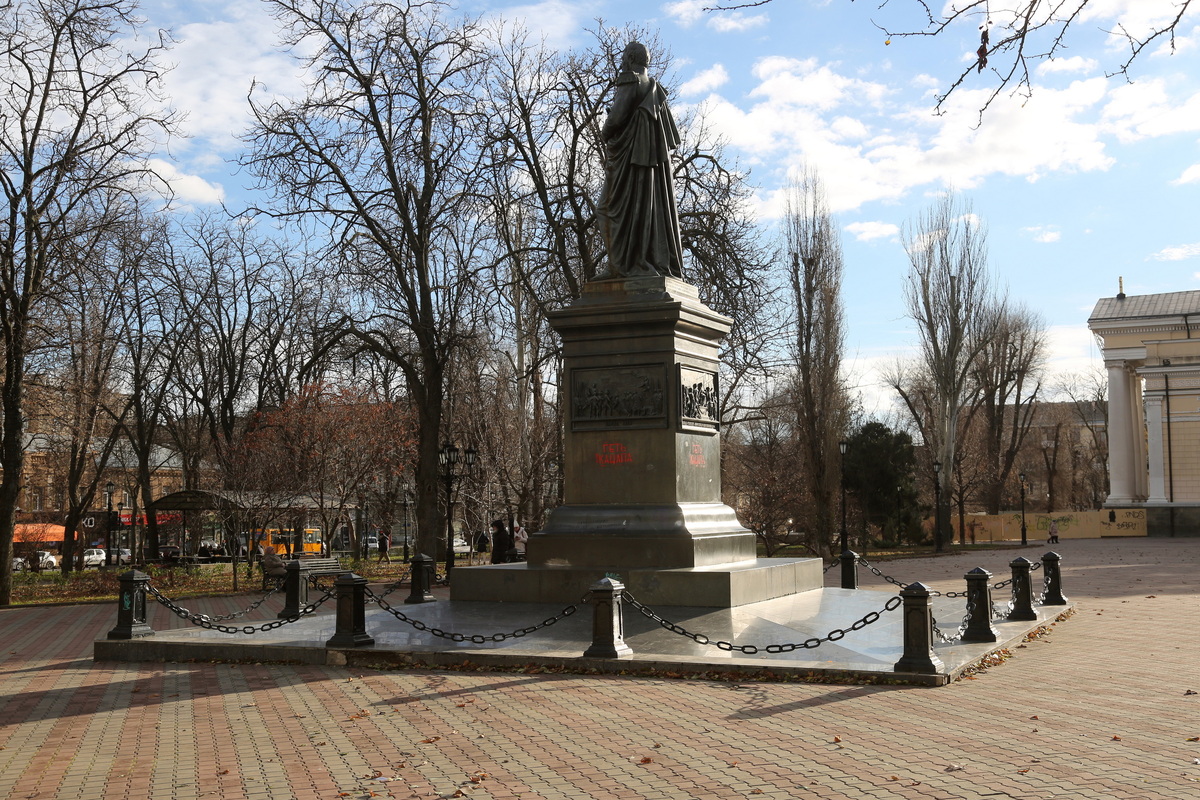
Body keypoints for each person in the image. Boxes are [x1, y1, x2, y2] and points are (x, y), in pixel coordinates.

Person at [595, 41, 684, 280]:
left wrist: (605, 131)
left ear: (631, 59)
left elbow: (616, 119)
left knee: (605, 209)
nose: (621, 62)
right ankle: (633, 261)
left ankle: (617, 266)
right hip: (647, 170)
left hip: (628, 163)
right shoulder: (655, 90)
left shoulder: (631, 80)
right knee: (643, 212)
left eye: (624, 57)